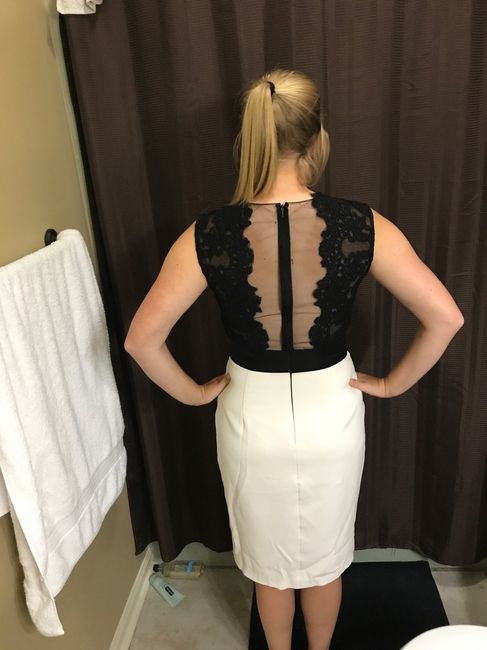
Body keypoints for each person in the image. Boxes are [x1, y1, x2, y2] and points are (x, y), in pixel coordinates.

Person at [124, 68, 464, 650]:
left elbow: (141, 341)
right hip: (332, 410)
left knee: (268, 563)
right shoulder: (362, 225)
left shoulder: (207, 233)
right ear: (316, 138)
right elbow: (446, 317)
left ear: (250, 137)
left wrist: (196, 393)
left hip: (249, 415)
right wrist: (390, 385)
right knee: (325, 561)